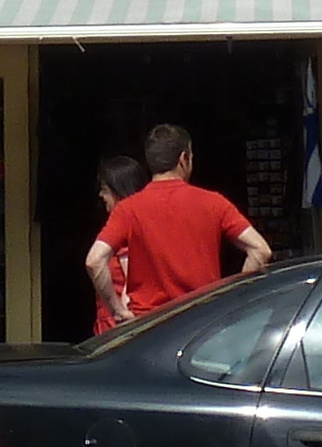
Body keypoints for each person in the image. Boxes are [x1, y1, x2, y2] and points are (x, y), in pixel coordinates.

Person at [89, 123, 269, 319]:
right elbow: (260, 250)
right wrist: (232, 301)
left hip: (148, 326)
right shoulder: (214, 203)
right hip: (202, 321)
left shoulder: (127, 209)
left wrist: (118, 311)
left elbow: (94, 261)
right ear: (184, 158)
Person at [87, 151, 148, 333]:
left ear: (119, 191)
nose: (101, 195)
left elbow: (130, 288)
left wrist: (120, 313)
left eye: (105, 189)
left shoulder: (125, 233)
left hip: (117, 330)